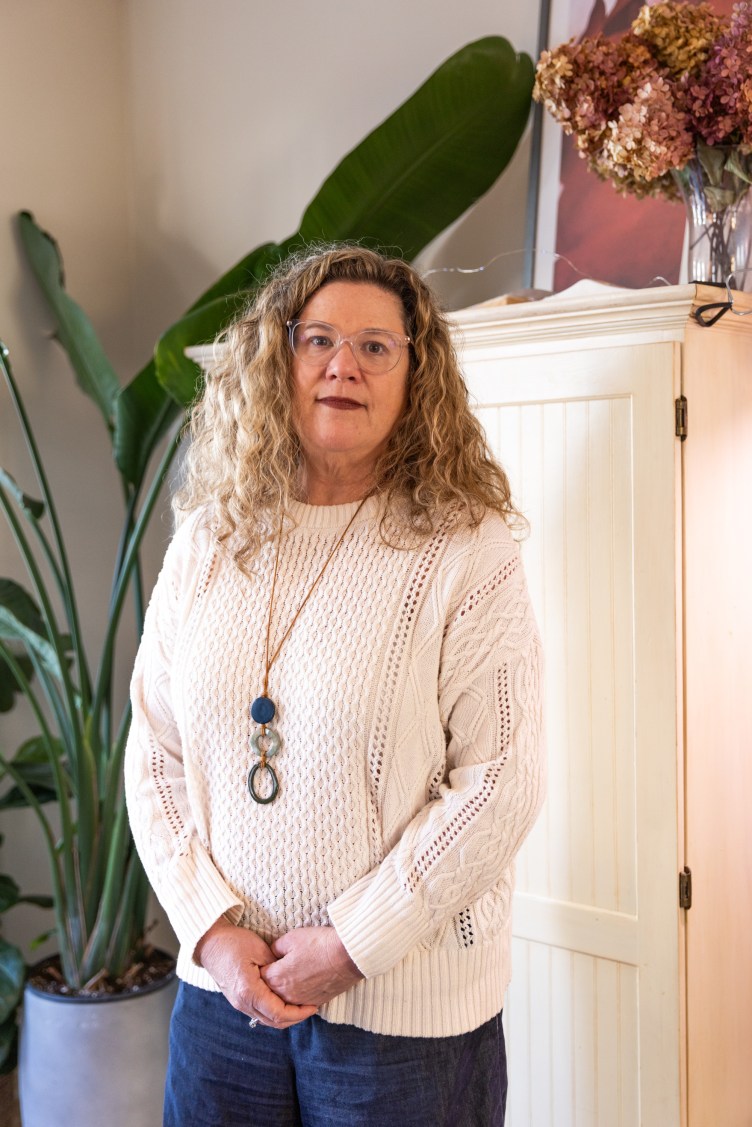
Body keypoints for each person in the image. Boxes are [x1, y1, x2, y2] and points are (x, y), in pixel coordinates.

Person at [124, 244, 546, 1126]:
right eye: (318, 338)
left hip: (405, 1021)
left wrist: (354, 943)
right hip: (223, 999)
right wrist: (209, 927)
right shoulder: (209, 538)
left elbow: (500, 779)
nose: (343, 364)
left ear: (415, 374)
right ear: (279, 359)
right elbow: (154, 750)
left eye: (376, 346)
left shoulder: (466, 548)